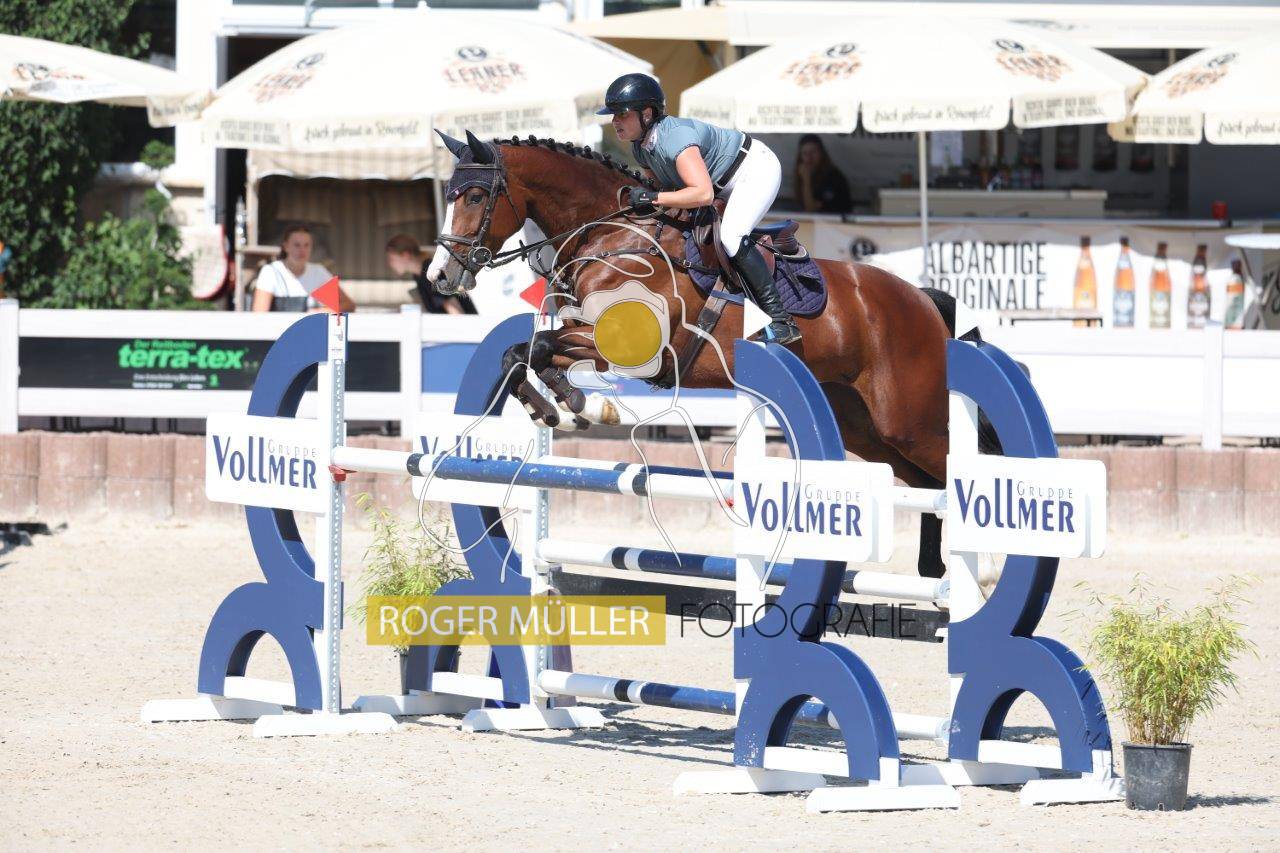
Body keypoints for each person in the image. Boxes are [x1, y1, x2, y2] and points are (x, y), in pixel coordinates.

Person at [599, 73, 801, 345]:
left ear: (646, 114)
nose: (615, 121)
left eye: (622, 114)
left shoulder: (675, 138)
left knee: (731, 237)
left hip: (754, 170)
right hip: (719, 184)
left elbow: (702, 194)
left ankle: (781, 320)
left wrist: (653, 197)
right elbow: (668, 191)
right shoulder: (641, 148)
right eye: (613, 115)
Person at [251, 224, 355, 313]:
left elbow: (348, 305)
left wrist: (322, 312)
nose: (302, 250)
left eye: (306, 245)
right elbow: (259, 314)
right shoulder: (271, 272)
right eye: (297, 245)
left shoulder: (318, 272)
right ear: (286, 246)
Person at [385, 234, 476, 315]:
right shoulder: (419, 275)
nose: (390, 263)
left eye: (391, 259)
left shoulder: (431, 273)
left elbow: (456, 312)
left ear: (406, 255)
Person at [794, 134, 851, 214]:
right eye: (805, 153)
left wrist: (806, 180)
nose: (809, 158)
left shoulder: (833, 177)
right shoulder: (802, 175)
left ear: (821, 153)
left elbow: (811, 210)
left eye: (813, 152)